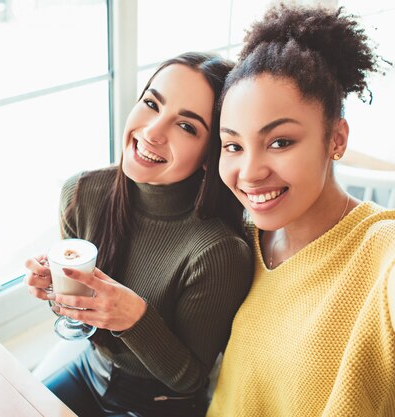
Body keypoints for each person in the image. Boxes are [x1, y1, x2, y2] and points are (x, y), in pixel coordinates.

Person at [207, 4, 395, 417]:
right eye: (233, 145)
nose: (249, 172)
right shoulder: (242, 238)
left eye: (280, 141)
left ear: (336, 138)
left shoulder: (385, 247)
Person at [24, 52, 253, 417]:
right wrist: (56, 289)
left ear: (211, 154)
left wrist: (134, 317)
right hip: (90, 372)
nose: (152, 132)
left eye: (187, 126)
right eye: (151, 103)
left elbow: (189, 378)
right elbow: (81, 320)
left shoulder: (220, 252)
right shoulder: (80, 193)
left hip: (158, 404)